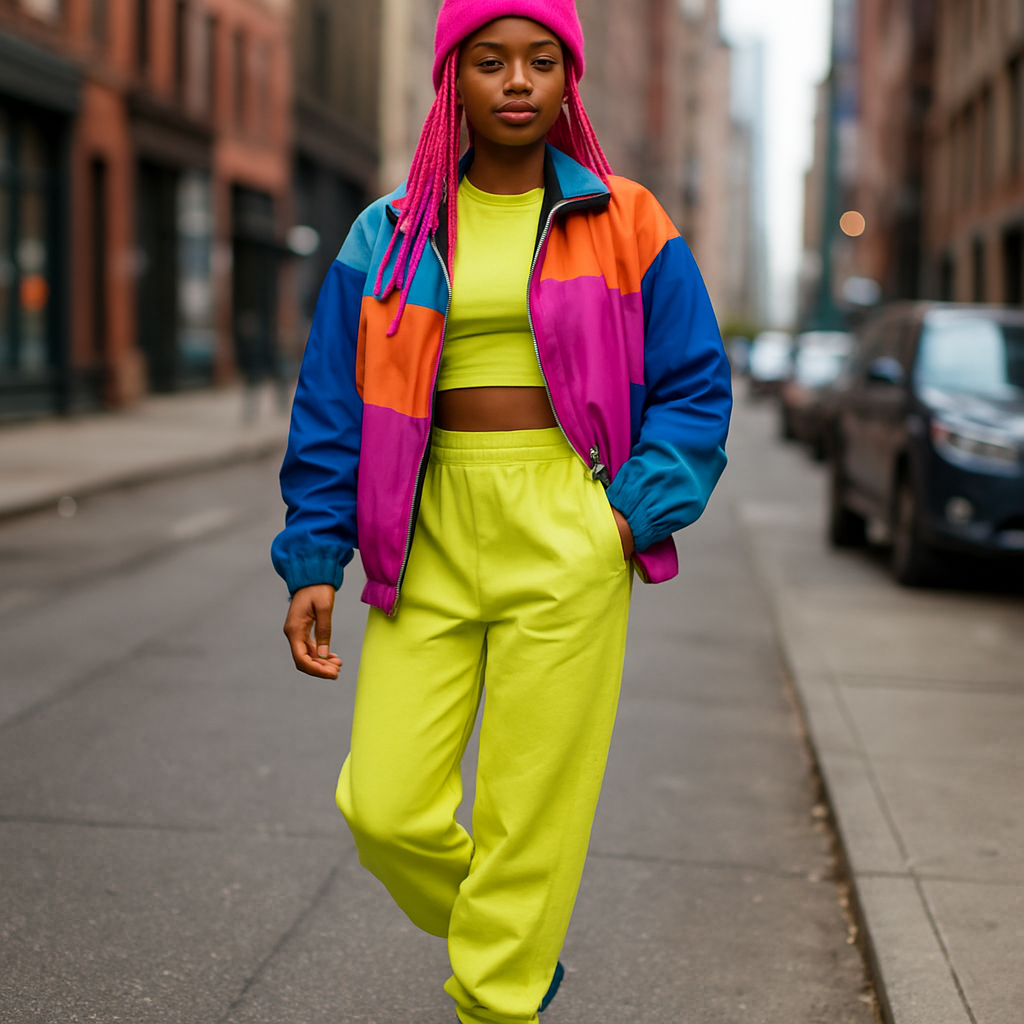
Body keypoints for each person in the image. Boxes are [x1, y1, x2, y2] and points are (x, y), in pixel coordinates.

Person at [271, 3, 732, 1021]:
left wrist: (621, 521)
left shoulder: (626, 219)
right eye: (490, 61)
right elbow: (331, 406)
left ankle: (501, 996)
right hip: (424, 521)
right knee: (383, 805)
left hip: (567, 524)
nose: (516, 80)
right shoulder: (387, 230)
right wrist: (315, 555)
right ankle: (508, 939)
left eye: (539, 60)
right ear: (455, 81)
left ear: (569, 78)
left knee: (531, 813)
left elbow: (696, 389)